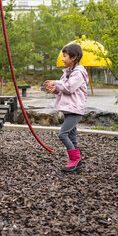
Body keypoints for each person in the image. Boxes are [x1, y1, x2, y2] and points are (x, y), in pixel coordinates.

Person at [45, 43, 89, 172]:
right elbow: (64, 88)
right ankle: (78, 163)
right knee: (72, 136)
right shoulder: (68, 72)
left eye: (65, 56)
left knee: (63, 134)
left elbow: (69, 88)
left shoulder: (78, 73)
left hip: (75, 109)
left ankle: (74, 160)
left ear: (73, 57)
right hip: (69, 108)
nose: (63, 59)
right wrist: (55, 90)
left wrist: (55, 82)